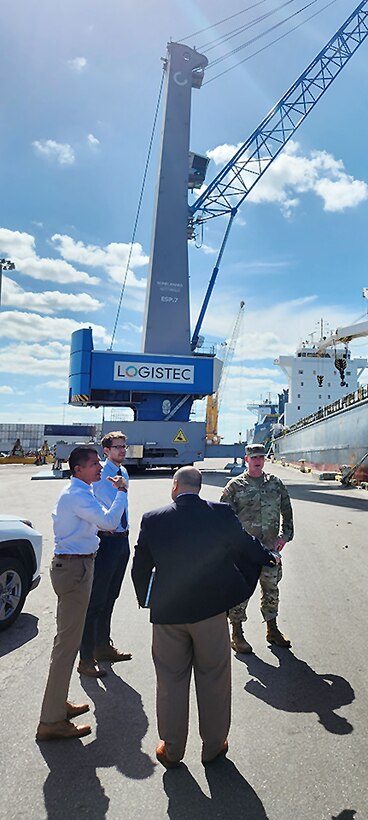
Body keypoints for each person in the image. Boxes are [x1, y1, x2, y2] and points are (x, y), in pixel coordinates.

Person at [131, 466, 279, 768]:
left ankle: (171, 750)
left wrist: (147, 600)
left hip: (168, 615)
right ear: (199, 487)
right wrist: (268, 556)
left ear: (175, 486)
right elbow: (245, 546)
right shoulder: (221, 513)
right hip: (210, 614)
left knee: (170, 681)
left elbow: (140, 567)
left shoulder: (153, 518)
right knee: (214, 678)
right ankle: (213, 746)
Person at [36, 446, 128, 742]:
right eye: (93, 464)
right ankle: (51, 721)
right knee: (67, 646)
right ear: (78, 469)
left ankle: (56, 704)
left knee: (67, 641)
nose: (99, 468)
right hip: (74, 570)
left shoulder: (82, 490)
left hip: (78, 566)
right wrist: (122, 492)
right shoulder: (77, 495)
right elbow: (110, 522)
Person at [220, 443, 294, 654]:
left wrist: (285, 536)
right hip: (245, 551)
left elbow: (287, 510)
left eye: (261, 457)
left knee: (271, 588)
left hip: (270, 549)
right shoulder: (235, 486)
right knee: (242, 591)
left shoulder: (275, 484)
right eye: (254, 458)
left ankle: (272, 630)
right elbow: (223, 517)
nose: (258, 460)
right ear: (247, 460)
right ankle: (237, 633)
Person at [78, 431, 132, 677]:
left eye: (124, 446)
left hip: (122, 541)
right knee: (95, 601)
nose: (122, 450)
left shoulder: (124, 473)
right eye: (117, 447)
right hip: (105, 542)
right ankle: (86, 658)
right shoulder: (99, 477)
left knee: (111, 597)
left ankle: (103, 646)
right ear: (106, 451)